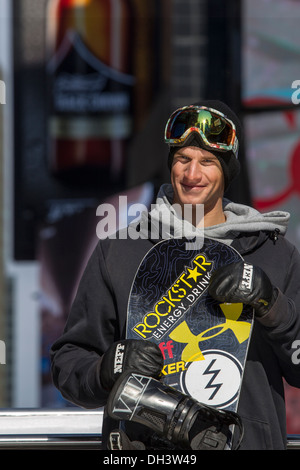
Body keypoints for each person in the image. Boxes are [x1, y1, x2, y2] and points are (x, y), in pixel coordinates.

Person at [50, 100, 300, 450]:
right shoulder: (121, 250)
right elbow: (67, 363)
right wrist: (108, 366)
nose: (192, 174)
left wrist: (273, 306)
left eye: (207, 162)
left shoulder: (274, 254)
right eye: (183, 159)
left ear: (227, 172)